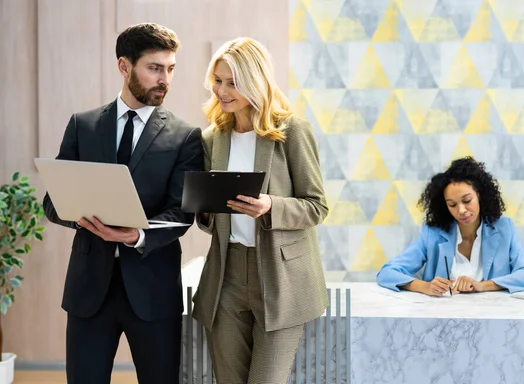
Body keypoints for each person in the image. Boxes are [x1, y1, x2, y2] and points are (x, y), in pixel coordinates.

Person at [42, 23, 203, 383]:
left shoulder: (186, 137)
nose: (165, 79)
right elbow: (52, 201)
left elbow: (182, 214)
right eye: (154, 68)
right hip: (89, 292)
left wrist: (137, 236)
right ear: (124, 66)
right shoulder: (83, 126)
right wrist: (79, 219)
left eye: (171, 69)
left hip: (153, 291)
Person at [192, 37, 329, 384]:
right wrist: (203, 205)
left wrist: (270, 206)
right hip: (227, 274)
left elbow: (316, 207)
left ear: (255, 80)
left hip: (280, 276)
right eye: (218, 81)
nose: (222, 91)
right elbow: (209, 223)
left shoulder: (291, 131)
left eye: (232, 82)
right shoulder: (212, 138)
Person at [377, 156, 524, 296]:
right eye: (452, 204)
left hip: (494, 318)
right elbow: (387, 273)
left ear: (480, 195)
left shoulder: (504, 228)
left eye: (467, 200)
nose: (461, 210)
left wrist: (483, 285)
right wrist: (424, 286)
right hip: (440, 320)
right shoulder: (432, 233)